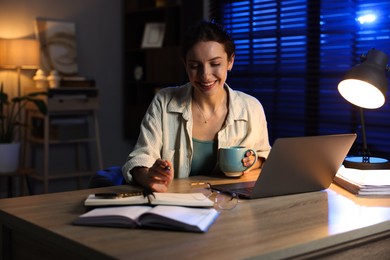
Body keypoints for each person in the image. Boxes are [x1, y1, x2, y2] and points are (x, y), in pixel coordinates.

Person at [122, 20, 271, 192]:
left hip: (232, 206)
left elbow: (263, 154)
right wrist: (148, 176)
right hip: (177, 205)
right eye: (194, 66)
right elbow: (140, 157)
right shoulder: (164, 101)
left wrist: (251, 162)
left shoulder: (251, 107)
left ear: (230, 62)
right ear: (185, 65)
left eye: (215, 64)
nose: (205, 76)